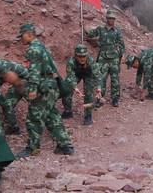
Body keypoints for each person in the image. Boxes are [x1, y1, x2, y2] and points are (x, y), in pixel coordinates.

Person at [16, 22, 74, 157]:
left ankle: (32, 148)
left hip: (42, 87)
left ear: (29, 34)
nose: (21, 39)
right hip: (52, 86)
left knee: (33, 117)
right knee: (53, 116)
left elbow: (34, 71)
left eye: (22, 36)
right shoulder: (42, 46)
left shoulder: (33, 49)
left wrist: (32, 89)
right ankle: (65, 146)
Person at [86, 10, 125, 107]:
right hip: (103, 58)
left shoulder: (117, 31)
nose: (112, 20)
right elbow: (90, 34)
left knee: (115, 79)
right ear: (106, 19)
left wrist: (119, 54)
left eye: (113, 19)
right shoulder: (100, 29)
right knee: (101, 79)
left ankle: (115, 99)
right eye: (110, 18)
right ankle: (99, 98)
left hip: (114, 59)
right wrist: (83, 27)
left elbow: (122, 45)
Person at [61, 44, 102, 125]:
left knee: (89, 93)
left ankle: (88, 115)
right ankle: (68, 110)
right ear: (75, 56)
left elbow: (97, 75)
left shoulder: (91, 61)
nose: (82, 58)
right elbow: (70, 76)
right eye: (80, 56)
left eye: (84, 56)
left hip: (88, 75)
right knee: (66, 88)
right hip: (76, 74)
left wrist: (99, 88)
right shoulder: (71, 62)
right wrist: (75, 88)